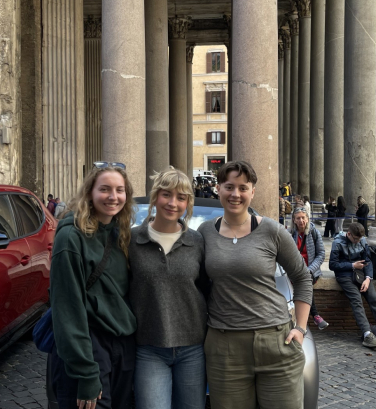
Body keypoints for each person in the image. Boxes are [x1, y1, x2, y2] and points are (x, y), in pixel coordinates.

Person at [198, 161, 312, 409]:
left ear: (253, 191)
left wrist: (301, 329)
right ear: (218, 189)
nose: (235, 194)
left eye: (243, 187)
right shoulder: (205, 232)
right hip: (224, 346)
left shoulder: (272, 230)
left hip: (276, 342)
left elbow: (302, 278)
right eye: (229, 187)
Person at [50, 164, 137, 409]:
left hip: (121, 346)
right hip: (88, 347)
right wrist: (86, 373)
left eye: (120, 190)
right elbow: (67, 309)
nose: (113, 196)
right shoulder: (71, 237)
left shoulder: (120, 234)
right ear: (89, 193)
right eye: (105, 189)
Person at [129, 168, 209, 409]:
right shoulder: (131, 240)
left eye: (181, 197)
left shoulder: (196, 242)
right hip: (149, 348)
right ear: (155, 197)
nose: (173, 203)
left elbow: (208, 288)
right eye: (166, 194)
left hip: (192, 349)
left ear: (188, 203)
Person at [329, 223, 376, 349]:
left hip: (362, 275)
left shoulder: (362, 241)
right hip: (344, 276)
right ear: (349, 234)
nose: (357, 242)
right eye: (355, 239)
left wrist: (368, 279)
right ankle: (367, 334)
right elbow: (332, 265)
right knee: (357, 301)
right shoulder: (338, 242)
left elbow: (367, 261)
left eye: (359, 239)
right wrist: (352, 265)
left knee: (374, 300)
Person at [290, 207, 329, 330]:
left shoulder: (313, 232)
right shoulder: (290, 234)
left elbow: (321, 254)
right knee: (301, 282)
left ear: (307, 218)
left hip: (310, 270)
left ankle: (302, 322)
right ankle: (315, 315)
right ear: (294, 220)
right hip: (295, 270)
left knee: (304, 281)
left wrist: (310, 269)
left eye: (303, 217)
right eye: (298, 218)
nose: (301, 220)